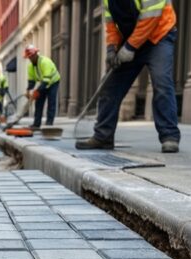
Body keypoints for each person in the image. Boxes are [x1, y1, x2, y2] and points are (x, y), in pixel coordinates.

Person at [76, 0, 180, 153]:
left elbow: (152, 16)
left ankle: (169, 136)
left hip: (159, 35)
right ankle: (103, 136)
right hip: (132, 38)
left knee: (162, 82)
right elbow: (111, 24)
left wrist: (130, 47)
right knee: (109, 86)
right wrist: (112, 48)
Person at [24, 45, 61, 130]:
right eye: (28, 57)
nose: (29, 59)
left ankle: (49, 123)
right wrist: (28, 90)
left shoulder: (45, 62)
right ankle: (36, 124)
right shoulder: (30, 67)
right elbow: (32, 81)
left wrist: (37, 91)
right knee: (38, 103)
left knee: (51, 102)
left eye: (30, 57)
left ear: (35, 55)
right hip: (44, 83)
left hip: (53, 82)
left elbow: (46, 81)